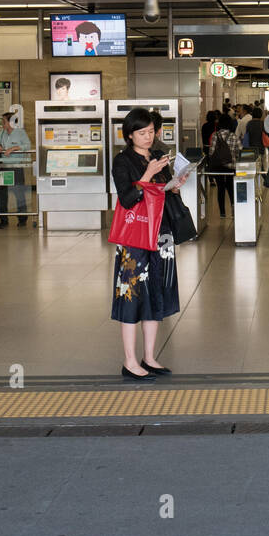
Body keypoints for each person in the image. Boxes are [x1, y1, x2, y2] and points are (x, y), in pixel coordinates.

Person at [111, 109, 187, 380]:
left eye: (151, 132)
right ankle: (130, 360)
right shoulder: (122, 161)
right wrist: (146, 175)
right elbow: (127, 198)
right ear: (129, 134)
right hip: (135, 237)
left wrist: (175, 185)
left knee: (157, 293)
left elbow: (162, 193)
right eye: (142, 133)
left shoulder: (158, 157)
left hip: (160, 234)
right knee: (132, 295)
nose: (148, 137)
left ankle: (150, 357)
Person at [0, 112, 33, 227]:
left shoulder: (20, 132)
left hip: (16, 167)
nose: (2, 123)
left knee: (18, 193)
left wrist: (15, 148)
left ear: (10, 122)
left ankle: (22, 218)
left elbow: (28, 145)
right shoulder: (2, 133)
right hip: (3, 167)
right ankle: (3, 219)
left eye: (4, 121)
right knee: (2, 194)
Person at [207, 113, 241, 218]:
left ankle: (222, 212)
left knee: (220, 188)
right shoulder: (233, 136)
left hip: (218, 166)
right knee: (231, 187)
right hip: (231, 166)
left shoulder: (215, 135)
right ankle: (233, 209)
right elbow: (239, 150)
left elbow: (211, 152)